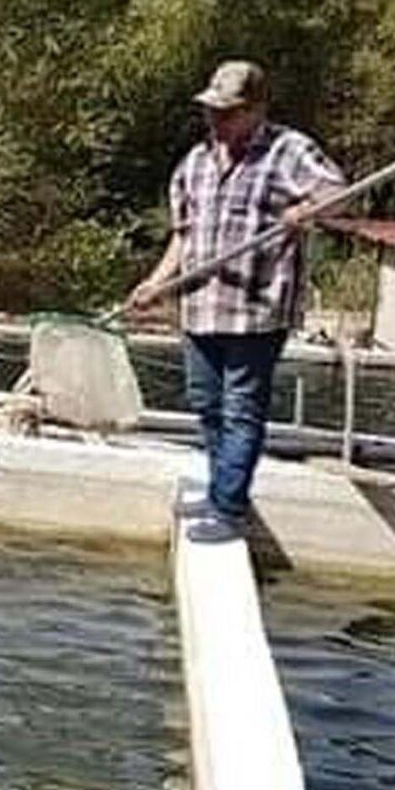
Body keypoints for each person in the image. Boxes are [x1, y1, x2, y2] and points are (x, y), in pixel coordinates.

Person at [128, 60, 345, 544]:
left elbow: (337, 193)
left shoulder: (287, 150)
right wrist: (155, 283)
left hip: (257, 306)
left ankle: (227, 508)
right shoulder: (195, 164)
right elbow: (183, 239)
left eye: (228, 113)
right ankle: (224, 491)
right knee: (206, 402)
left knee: (242, 407)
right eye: (212, 111)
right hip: (201, 306)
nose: (217, 121)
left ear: (256, 109)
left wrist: (305, 211)